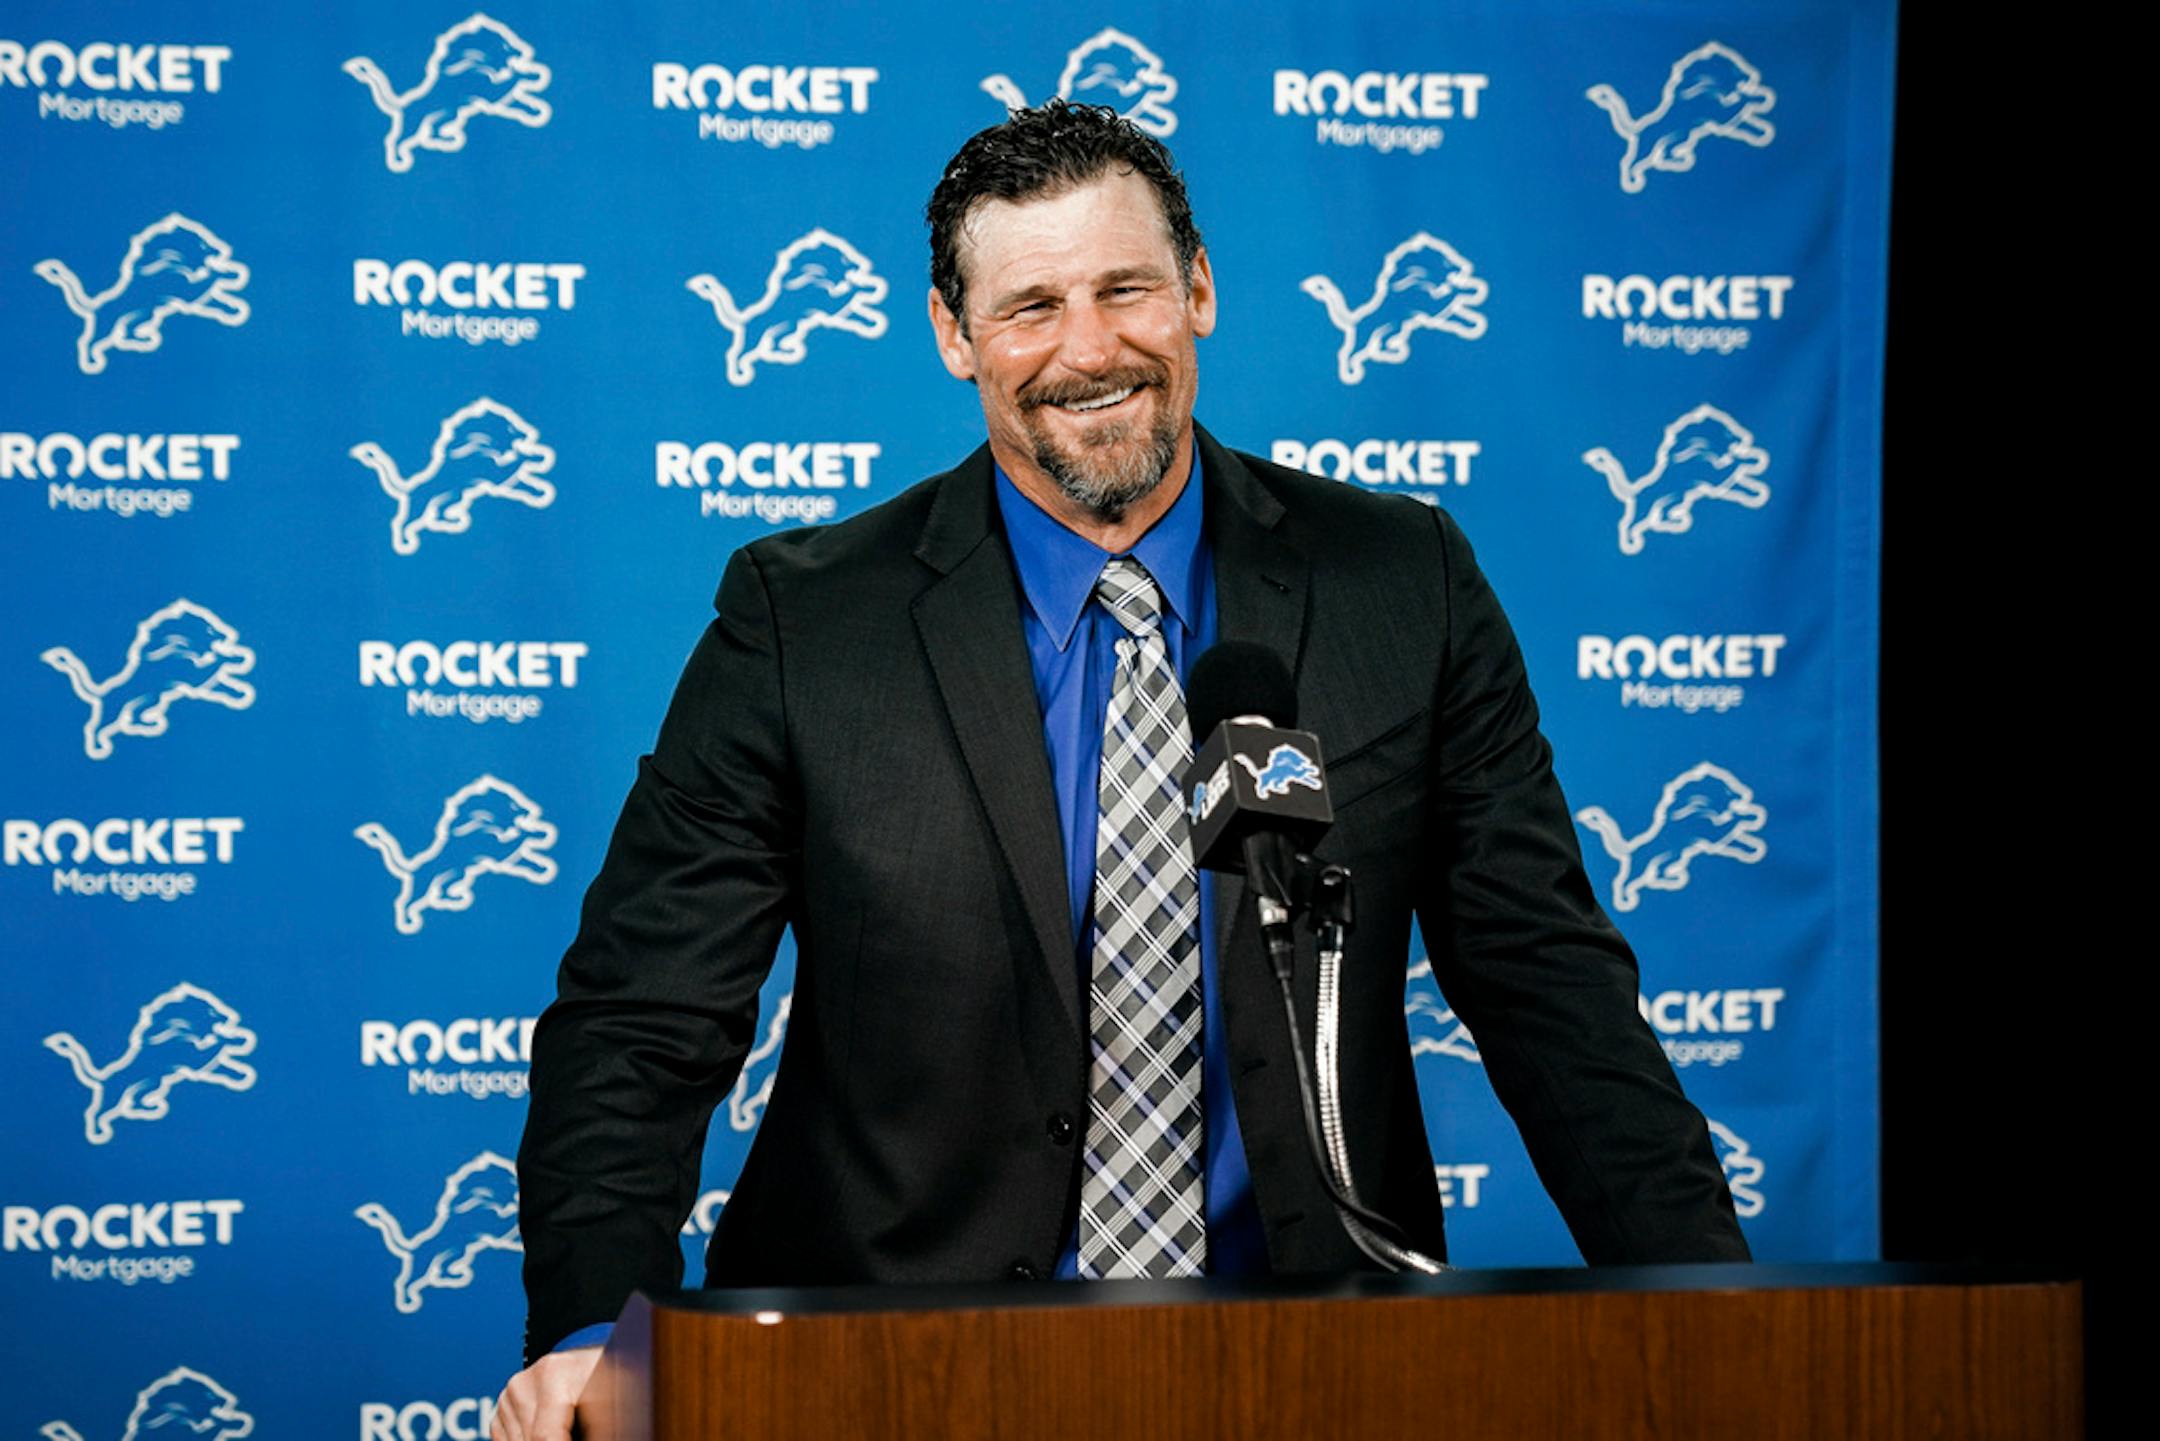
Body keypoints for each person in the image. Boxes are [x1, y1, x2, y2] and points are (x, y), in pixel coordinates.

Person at [491, 101, 1747, 1441]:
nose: (1089, 349)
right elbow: (642, 1018)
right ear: (954, 335)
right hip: (889, 1372)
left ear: (1198, 290)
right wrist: (591, 1333)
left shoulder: (1403, 587)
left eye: (1126, 289)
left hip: (1306, 1372)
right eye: (1031, 306)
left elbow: (1551, 989)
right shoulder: (805, 624)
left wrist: (1722, 1322)